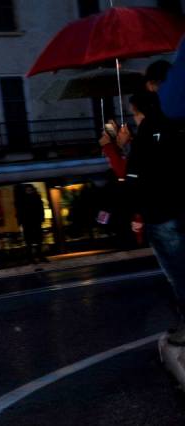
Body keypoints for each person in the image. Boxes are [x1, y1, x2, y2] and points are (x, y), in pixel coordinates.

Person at [100, 91, 185, 345]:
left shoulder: (148, 135)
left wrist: (114, 147)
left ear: (139, 111)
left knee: (177, 274)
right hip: (176, 210)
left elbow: (132, 177)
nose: (133, 119)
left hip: (160, 215)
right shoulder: (171, 128)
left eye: (134, 113)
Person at [15, 184, 48, 264]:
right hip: (28, 223)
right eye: (28, 190)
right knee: (30, 242)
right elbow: (20, 212)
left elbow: (41, 209)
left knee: (38, 241)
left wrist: (41, 219)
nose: (29, 191)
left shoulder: (36, 198)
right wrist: (21, 222)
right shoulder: (23, 200)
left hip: (35, 222)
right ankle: (32, 258)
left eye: (30, 190)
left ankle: (39, 256)